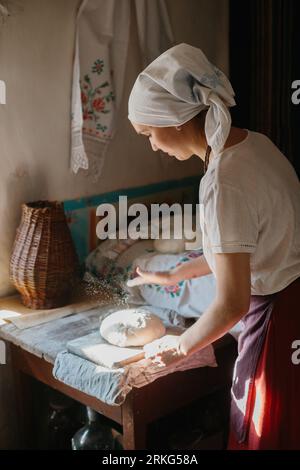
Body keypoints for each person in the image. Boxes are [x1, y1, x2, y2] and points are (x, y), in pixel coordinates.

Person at [127, 43, 300, 450]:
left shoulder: (222, 181)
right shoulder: (255, 145)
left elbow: (232, 302)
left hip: (275, 324)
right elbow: (242, 248)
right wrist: (173, 273)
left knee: (264, 431)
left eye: (148, 133)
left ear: (172, 120)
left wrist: (179, 347)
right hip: (294, 305)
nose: (153, 145)